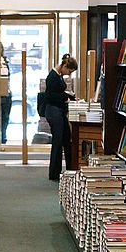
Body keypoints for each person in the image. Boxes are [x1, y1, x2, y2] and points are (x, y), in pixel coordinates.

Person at [44, 53, 78, 181]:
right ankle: (54, 173)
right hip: (53, 111)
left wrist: (69, 96)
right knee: (58, 141)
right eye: (69, 71)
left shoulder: (58, 76)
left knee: (66, 138)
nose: (69, 74)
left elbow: (58, 92)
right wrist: (66, 97)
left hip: (58, 111)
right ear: (64, 66)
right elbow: (50, 96)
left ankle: (70, 169)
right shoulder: (52, 76)